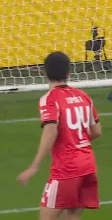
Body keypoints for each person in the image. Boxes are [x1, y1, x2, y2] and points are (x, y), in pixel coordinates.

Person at [17, 51, 102, 220]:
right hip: (87, 164)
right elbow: (97, 131)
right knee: (72, 214)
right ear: (68, 72)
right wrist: (76, 139)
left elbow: (51, 131)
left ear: (45, 72)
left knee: (46, 217)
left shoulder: (49, 99)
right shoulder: (83, 96)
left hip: (66, 168)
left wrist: (34, 166)